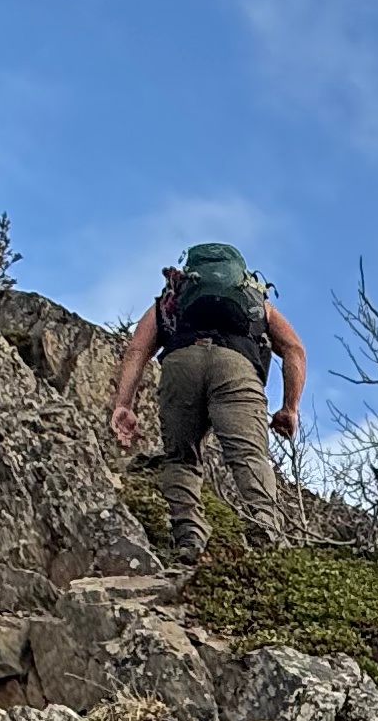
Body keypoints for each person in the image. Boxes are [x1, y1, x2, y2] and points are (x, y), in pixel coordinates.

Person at [110, 242, 306, 565]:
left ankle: (188, 538)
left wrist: (124, 404)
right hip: (236, 366)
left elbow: (136, 350)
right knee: (249, 455)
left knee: (181, 457)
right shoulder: (256, 301)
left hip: (181, 365)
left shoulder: (172, 299)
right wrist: (290, 407)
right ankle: (265, 531)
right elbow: (294, 350)